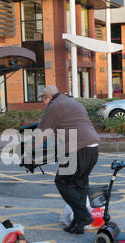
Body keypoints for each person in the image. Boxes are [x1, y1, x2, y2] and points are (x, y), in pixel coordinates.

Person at [36, 85, 100, 234]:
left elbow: (42, 132)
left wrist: (27, 149)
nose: (42, 103)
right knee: (80, 184)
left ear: (49, 98)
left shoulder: (54, 106)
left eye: (43, 100)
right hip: (93, 147)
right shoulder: (73, 102)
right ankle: (78, 225)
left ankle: (84, 216)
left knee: (62, 182)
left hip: (78, 149)